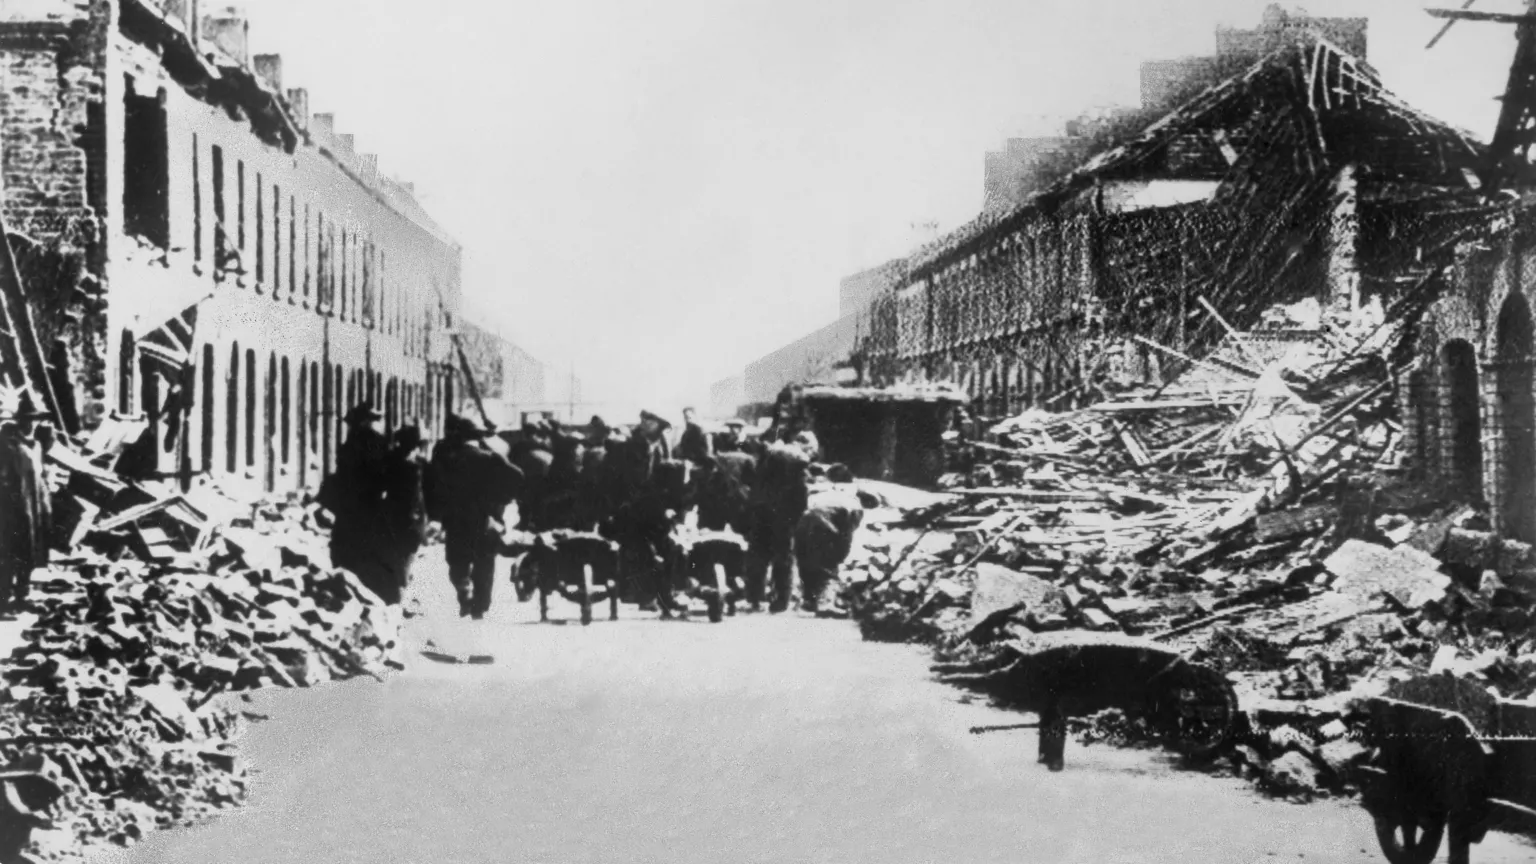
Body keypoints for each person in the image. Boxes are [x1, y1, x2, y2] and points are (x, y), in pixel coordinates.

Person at [427, 415, 524, 619]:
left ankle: (464, 590)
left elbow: (432, 487)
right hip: (484, 517)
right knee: (485, 561)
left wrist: (436, 514)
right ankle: (480, 605)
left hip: (455, 517)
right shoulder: (488, 457)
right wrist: (501, 500)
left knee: (457, 559)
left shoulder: (445, 459)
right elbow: (517, 476)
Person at [323, 402, 389, 591]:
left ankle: (346, 583)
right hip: (369, 504)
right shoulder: (378, 442)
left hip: (350, 505)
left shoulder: (352, 443)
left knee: (345, 545)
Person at [613, 410, 674, 610]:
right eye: (646, 421)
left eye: (653, 422)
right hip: (634, 507)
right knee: (639, 551)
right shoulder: (631, 446)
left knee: (666, 548)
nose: (646, 424)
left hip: (658, 507)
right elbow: (623, 477)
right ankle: (645, 597)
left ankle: (666, 596)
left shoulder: (663, 445)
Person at [744, 437, 812, 613]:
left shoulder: (767, 461)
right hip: (784, 517)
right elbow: (802, 497)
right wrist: (795, 519)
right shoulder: (798, 464)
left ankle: (754, 598)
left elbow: (754, 488)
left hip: (762, 512)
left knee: (758, 555)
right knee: (783, 558)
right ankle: (781, 601)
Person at [0, 392, 53, 618]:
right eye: (28, 418)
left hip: (35, 506)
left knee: (29, 553)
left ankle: (22, 597)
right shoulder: (8, 445)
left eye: (35, 418)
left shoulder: (37, 445)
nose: (32, 423)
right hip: (13, 507)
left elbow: (38, 475)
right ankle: (3, 602)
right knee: (9, 553)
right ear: (19, 420)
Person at [377, 423, 428, 608]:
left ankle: (398, 593)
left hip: (391, 513)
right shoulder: (414, 465)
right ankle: (399, 596)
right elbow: (418, 496)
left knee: (397, 555)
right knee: (405, 555)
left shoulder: (389, 459)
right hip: (407, 516)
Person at [794, 491, 865, 614]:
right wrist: (840, 556)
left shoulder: (835, 497)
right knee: (828, 565)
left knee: (806, 563)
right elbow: (846, 535)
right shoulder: (856, 508)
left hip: (804, 522)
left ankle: (809, 601)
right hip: (823, 525)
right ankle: (824, 603)